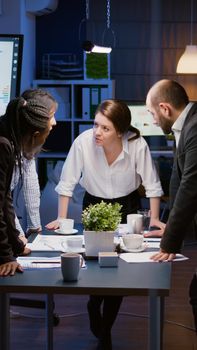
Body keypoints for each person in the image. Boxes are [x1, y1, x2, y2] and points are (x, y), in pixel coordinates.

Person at [46, 99, 164, 349]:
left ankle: (105, 330)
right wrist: (62, 217)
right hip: (94, 204)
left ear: (120, 130)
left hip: (127, 206)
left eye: (105, 128)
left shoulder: (136, 144)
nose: (97, 132)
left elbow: (152, 184)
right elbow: (67, 182)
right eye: (96, 125)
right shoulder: (83, 142)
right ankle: (93, 305)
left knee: (120, 268)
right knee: (96, 262)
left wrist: (153, 219)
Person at [145, 79, 197, 331]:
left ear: (165, 108)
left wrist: (170, 243)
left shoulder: (195, 127)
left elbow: (191, 186)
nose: (152, 120)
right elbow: (178, 181)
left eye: (151, 113)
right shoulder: (187, 124)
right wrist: (170, 227)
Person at [0, 92, 57, 277]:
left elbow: (5, 199)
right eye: (47, 135)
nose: (54, 123)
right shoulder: (3, 145)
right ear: (35, 134)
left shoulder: (11, 138)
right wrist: (6, 256)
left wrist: (17, 244)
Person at [11, 89, 58, 240]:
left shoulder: (26, 147)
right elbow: (3, 203)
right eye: (52, 116)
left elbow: (31, 186)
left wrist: (34, 227)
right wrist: (18, 235)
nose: (55, 122)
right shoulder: (7, 149)